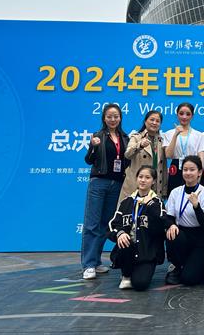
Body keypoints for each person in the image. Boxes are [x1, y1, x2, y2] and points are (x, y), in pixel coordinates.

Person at [81, 104, 130, 280]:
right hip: (99, 182)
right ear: (104, 118)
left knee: (105, 224)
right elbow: (88, 160)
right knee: (92, 224)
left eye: (116, 116)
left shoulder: (125, 138)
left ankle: (96, 261)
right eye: (109, 116)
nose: (113, 119)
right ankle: (88, 264)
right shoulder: (98, 136)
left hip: (117, 184)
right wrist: (93, 146)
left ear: (120, 118)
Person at [108, 166, 166, 291]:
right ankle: (126, 275)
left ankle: (137, 272)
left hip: (147, 253)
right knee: (124, 240)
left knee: (140, 284)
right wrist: (120, 233)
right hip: (128, 250)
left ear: (153, 181)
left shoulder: (157, 203)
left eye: (147, 177)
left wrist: (150, 205)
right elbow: (113, 224)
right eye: (140, 177)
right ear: (136, 179)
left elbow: (162, 224)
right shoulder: (126, 202)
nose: (143, 180)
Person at [164, 155, 204, 286]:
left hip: (199, 238)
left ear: (199, 172)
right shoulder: (176, 192)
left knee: (189, 279)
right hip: (182, 234)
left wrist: (196, 206)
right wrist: (171, 225)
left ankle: (202, 266)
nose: (188, 173)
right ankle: (177, 265)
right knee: (172, 233)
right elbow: (169, 217)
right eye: (185, 169)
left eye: (192, 170)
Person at [121, 111, 167, 200]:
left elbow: (164, 167)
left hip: (155, 185)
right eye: (152, 120)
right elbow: (127, 154)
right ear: (145, 121)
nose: (154, 123)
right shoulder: (136, 137)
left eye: (157, 121)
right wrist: (140, 145)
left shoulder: (162, 141)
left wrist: (164, 190)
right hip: (137, 185)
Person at [164, 103, 204, 192]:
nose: (184, 117)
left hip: (192, 168)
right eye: (181, 113)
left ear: (192, 116)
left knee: (191, 195)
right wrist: (175, 135)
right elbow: (168, 155)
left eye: (188, 114)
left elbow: (201, 157)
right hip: (175, 168)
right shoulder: (169, 133)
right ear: (177, 115)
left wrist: (199, 175)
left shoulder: (199, 135)